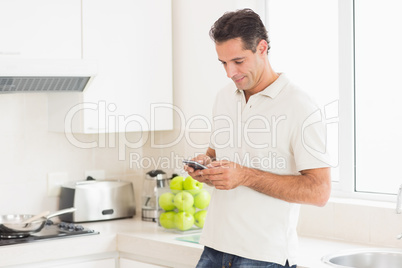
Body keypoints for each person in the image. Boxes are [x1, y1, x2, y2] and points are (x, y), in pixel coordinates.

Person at [184, 8, 331, 268]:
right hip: (214, 248)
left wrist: (245, 176)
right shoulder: (224, 97)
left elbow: (319, 191)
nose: (230, 72)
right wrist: (205, 166)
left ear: (262, 48)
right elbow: (217, 155)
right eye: (223, 63)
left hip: (264, 257)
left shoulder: (299, 106)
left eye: (238, 61)